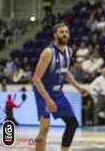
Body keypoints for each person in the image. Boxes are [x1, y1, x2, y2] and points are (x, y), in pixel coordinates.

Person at [33, 23, 89, 151]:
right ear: (55, 35)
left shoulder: (69, 51)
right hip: (43, 92)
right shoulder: (48, 52)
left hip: (58, 93)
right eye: (61, 32)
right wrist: (48, 99)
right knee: (45, 127)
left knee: (72, 123)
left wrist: (78, 88)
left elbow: (65, 72)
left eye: (66, 32)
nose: (64, 34)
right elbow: (36, 79)